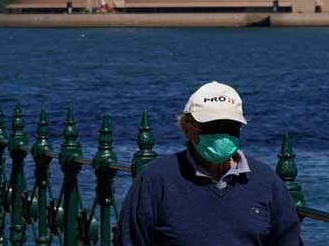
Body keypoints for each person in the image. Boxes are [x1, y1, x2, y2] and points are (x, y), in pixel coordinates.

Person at [119, 81, 301, 246]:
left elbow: (287, 239)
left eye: (230, 127)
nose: (221, 134)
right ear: (186, 128)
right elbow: (130, 239)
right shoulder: (157, 179)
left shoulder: (266, 182)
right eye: (211, 127)